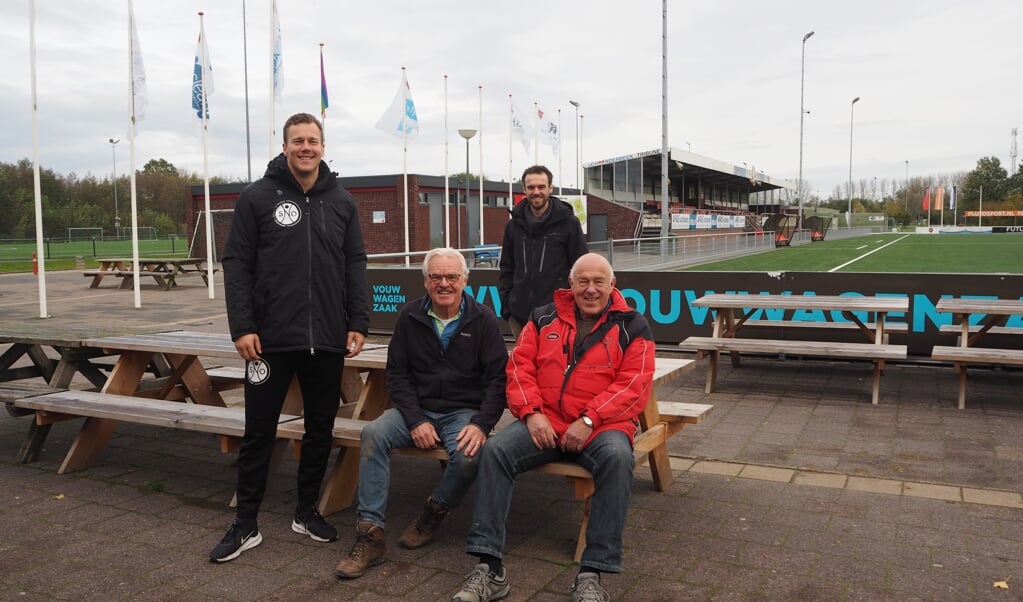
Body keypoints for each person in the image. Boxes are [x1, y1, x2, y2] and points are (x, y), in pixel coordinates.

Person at [210, 112, 370, 563]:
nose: (305, 147)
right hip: (268, 340)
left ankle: (305, 512)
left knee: (320, 429)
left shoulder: (341, 201)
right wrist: (242, 326)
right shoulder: (256, 197)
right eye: (297, 140)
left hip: (327, 339)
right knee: (258, 431)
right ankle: (246, 525)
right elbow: (237, 263)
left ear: (323, 146)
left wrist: (357, 320)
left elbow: (354, 262)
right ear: (285, 147)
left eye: (313, 140)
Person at [452, 252, 655, 602]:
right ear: (571, 285)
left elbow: (634, 384)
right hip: (544, 422)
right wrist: (531, 413)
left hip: (602, 426)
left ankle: (591, 574)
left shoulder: (633, 325)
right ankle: (489, 568)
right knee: (496, 451)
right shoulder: (542, 317)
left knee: (618, 461)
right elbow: (518, 368)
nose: (590, 289)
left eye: (598, 282)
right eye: (583, 282)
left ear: (612, 285)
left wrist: (589, 419)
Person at [336, 247, 508, 578]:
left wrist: (483, 424)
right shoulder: (409, 315)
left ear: (465, 280)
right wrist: (415, 419)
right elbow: (397, 375)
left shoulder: (484, 319)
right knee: (372, 433)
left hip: (463, 412)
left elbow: (498, 380)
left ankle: (434, 510)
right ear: (425, 280)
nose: (444, 283)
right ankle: (369, 533)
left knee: (470, 456)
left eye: (452, 277)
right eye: (436, 277)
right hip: (417, 409)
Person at [498, 164, 587, 338]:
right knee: (524, 365)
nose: (536, 192)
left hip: (558, 317)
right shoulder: (513, 226)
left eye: (541, 187)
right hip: (520, 319)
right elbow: (506, 270)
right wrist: (508, 309)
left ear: (550, 188)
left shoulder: (569, 223)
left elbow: (581, 268)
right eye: (531, 187)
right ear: (524, 189)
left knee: (556, 365)